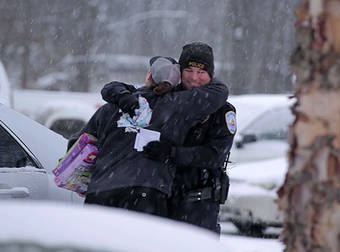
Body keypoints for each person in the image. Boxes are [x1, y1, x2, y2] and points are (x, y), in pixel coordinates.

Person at [102, 42, 237, 234]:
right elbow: (113, 88)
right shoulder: (166, 96)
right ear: (179, 71)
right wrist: (122, 95)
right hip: (159, 199)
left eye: (202, 72)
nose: (195, 77)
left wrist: (173, 153)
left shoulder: (221, 110)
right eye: (189, 70)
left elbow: (215, 155)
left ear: (211, 74)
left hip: (198, 204)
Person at [69, 55, 229, 218]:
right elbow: (220, 91)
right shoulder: (178, 106)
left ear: (149, 75)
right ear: (176, 83)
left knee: (95, 243)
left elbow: (76, 144)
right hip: (146, 193)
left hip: (100, 192)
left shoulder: (111, 106)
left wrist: (85, 181)